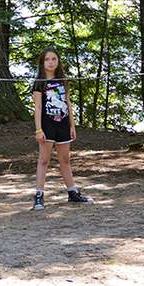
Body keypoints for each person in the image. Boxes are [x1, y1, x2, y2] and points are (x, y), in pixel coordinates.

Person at [31, 47, 92, 210]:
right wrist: (38, 130)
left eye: (54, 59)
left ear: (58, 62)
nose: (51, 62)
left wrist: (72, 125)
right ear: (42, 63)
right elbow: (37, 107)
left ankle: (72, 192)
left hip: (63, 124)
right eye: (47, 59)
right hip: (47, 125)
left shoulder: (63, 81)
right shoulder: (39, 83)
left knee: (65, 160)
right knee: (44, 160)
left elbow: (68, 103)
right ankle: (39, 195)